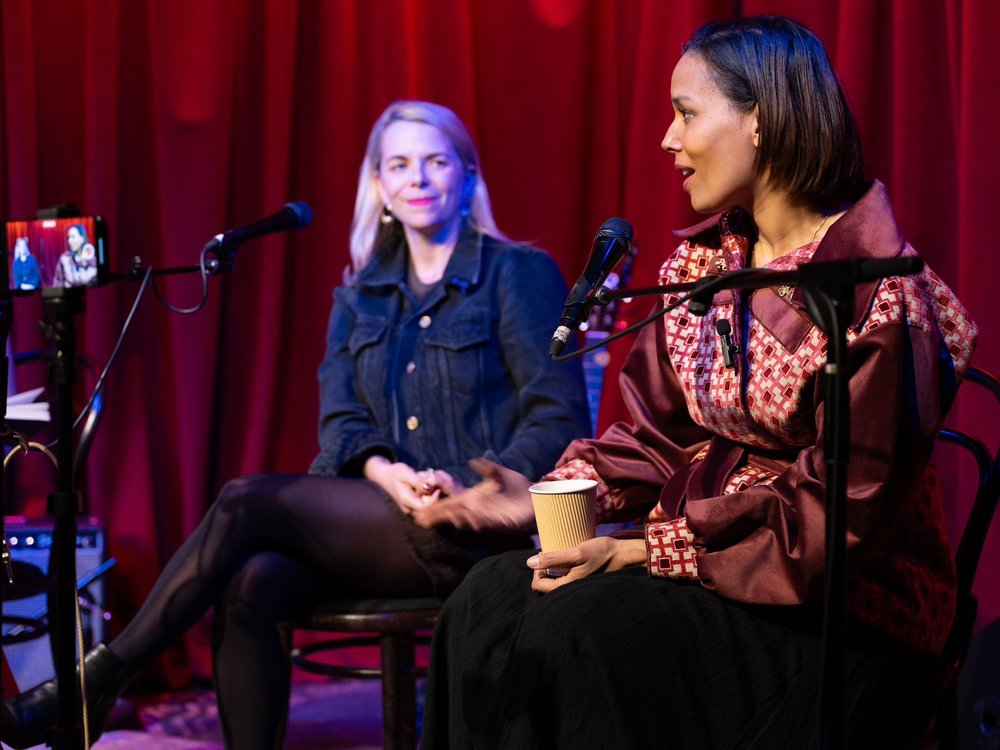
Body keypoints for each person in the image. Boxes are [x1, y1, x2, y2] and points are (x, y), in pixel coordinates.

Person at [415, 16, 978, 750]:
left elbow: (835, 526)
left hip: (849, 608)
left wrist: (645, 551)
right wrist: (547, 494)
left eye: (685, 113)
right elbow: (654, 438)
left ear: (760, 120)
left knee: (575, 628)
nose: (666, 141)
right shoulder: (703, 270)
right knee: (487, 597)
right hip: (716, 565)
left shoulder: (877, 294)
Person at [1, 100, 590, 749]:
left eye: (435, 161)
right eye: (400, 164)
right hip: (381, 521)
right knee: (252, 582)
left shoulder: (517, 274)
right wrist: (388, 475)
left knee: (245, 499)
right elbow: (341, 420)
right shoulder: (358, 293)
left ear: (467, 176)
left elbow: (556, 414)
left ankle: (95, 683)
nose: (418, 177)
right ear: (380, 186)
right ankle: (107, 690)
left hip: (472, 530)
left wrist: (474, 491)